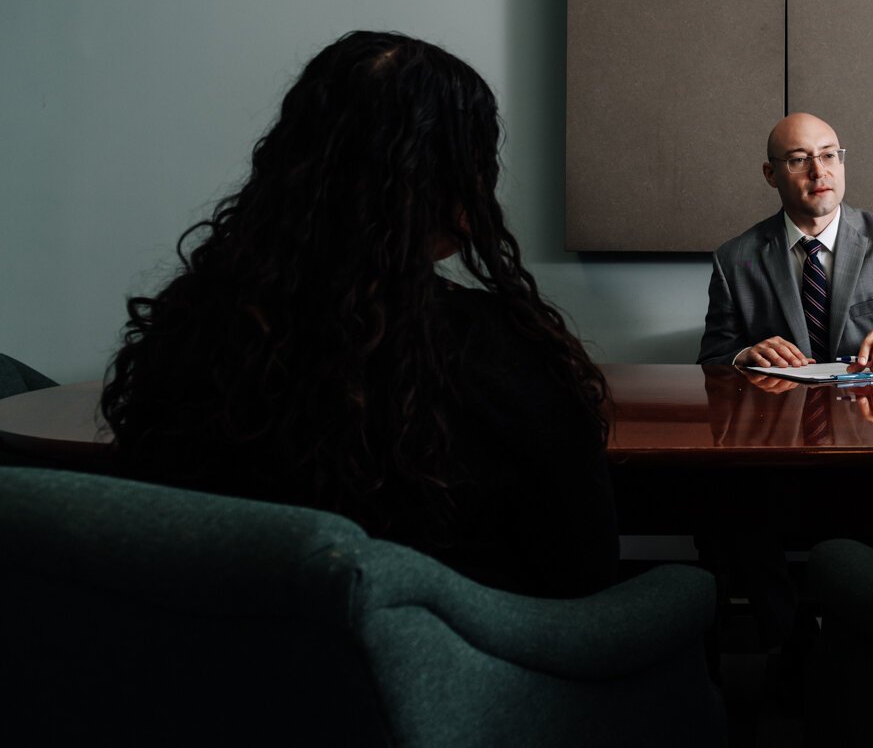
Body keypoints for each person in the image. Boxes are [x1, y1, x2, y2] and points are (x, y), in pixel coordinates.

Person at [101, 31, 617, 599]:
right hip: (462, 672)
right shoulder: (500, 351)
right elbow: (582, 570)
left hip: (225, 673)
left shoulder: (193, 328)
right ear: (456, 184)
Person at [698, 112, 873, 372]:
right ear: (771, 175)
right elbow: (712, 360)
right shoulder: (733, 259)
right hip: (780, 409)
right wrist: (744, 356)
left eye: (829, 155)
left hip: (871, 408)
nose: (818, 171)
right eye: (799, 159)